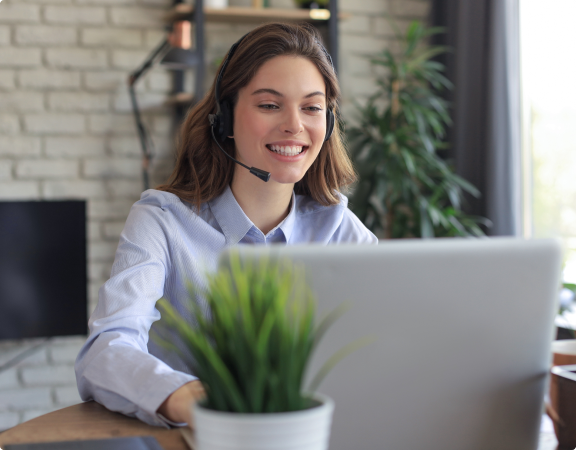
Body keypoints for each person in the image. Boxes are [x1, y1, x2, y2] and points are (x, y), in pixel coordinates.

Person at [75, 22, 377, 429]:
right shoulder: (162, 221)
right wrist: (195, 401)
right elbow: (106, 351)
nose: (294, 125)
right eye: (270, 105)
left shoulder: (342, 231)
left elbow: (386, 351)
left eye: (311, 107)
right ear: (226, 121)